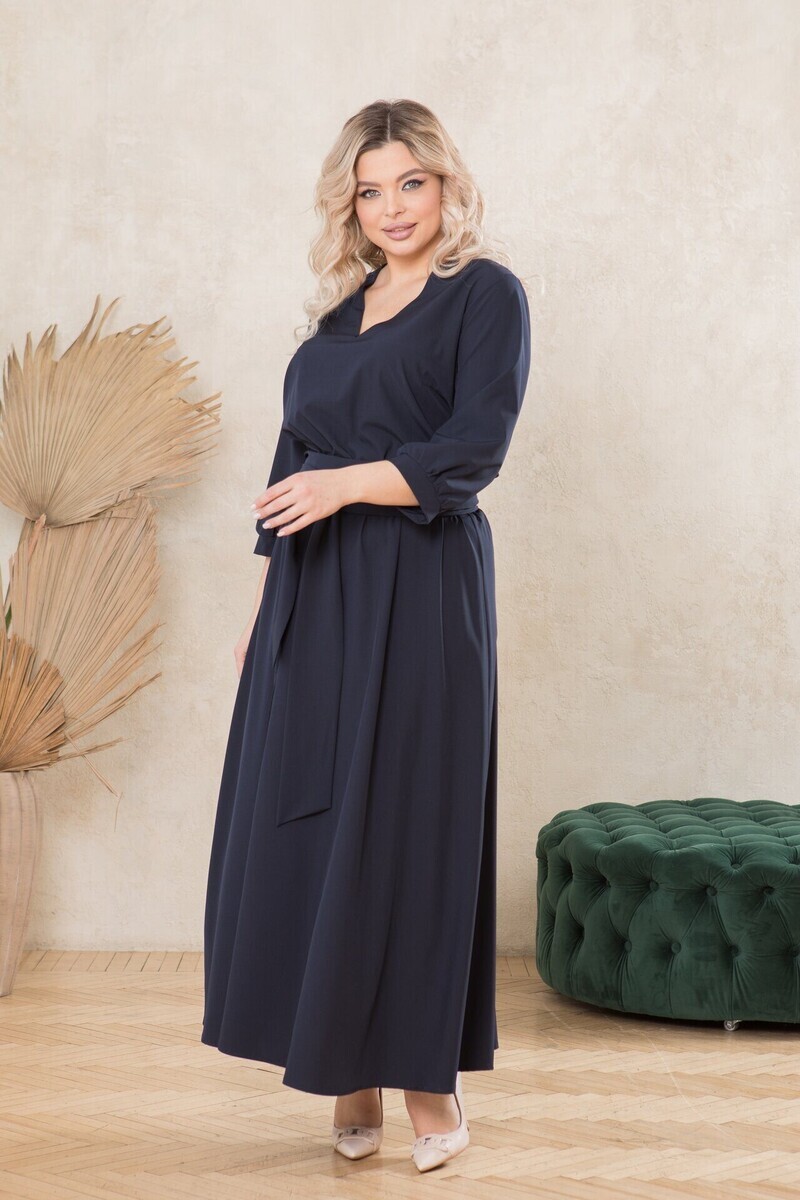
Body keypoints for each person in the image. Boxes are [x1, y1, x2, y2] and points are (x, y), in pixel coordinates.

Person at [202, 97, 531, 1173]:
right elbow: (286, 470)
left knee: (408, 826)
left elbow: (473, 449)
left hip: (422, 584)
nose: (392, 208)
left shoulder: (483, 295)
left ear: (445, 185)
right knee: (312, 823)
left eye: (411, 184)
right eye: (370, 190)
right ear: (349, 204)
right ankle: (344, 1067)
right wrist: (262, 611)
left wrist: (345, 485)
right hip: (312, 592)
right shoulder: (334, 323)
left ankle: (426, 1079)